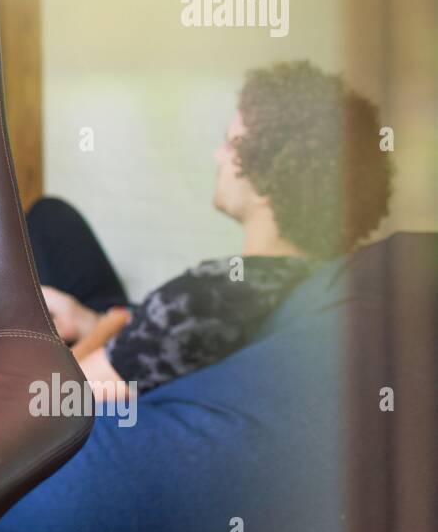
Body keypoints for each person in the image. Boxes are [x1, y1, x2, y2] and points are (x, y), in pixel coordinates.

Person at [29, 60, 393, 404]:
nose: (217, 156)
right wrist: (90, 319)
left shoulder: (205, 298)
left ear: (268, 182)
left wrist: (98, 333)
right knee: (51, 217)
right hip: (128, 334)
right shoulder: (312, 279)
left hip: (99, 365)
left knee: (40, 228)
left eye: (232, 144)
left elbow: (55, 401)